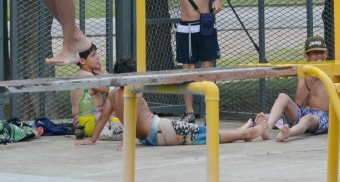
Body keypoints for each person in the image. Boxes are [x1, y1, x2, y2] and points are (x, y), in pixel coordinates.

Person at [75, 57, 269, 148]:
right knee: (205, 136)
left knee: (204, 135)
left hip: (155, 134)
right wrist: (125, 145)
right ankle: (246, 133)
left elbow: (104, 119)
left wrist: (92, 140)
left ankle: (244, 132)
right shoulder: (133, 91)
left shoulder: (114, 94)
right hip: (159, 130)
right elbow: (130, 119)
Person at [149, 0, 232, 123]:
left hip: (203, 24)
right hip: (185, 26)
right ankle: (189, 112)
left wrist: (218, 0)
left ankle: (211, 110)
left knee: (207, 67)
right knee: (187, 69)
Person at [266, 37, 340, 142]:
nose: (319, 56)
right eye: (314, 53)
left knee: (308, 118)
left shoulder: (333, 73)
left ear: (326, 54)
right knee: (282, 97)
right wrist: (311, 80)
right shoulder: (305, 71)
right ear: (306, 56)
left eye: (321, 53)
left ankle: (288, 133)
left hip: (321, 117)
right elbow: (299, 101)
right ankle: (267, 127)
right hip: (303, 112)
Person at [70, 43, 121, 140]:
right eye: (93, 55)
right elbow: (110, 89)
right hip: (85, 120)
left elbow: (110, 86)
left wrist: (102, 71)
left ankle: (116, 127)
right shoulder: (84, 75)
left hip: (98, 115)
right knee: (117, 95)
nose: (97, 57)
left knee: (116, 105)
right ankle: (116, 129)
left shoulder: (91, 74)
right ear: (82, 60)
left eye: (96, 54)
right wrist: (104, 75)